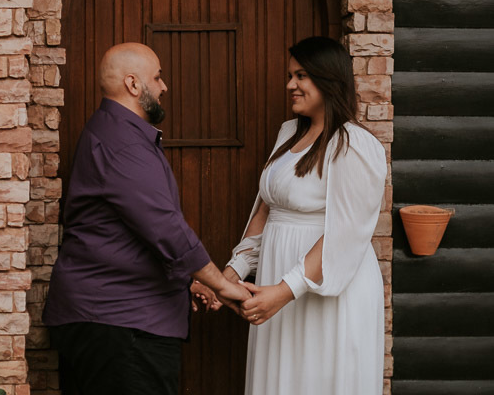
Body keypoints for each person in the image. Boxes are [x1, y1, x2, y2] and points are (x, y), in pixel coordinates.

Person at [43, 42, 251, 395]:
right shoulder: (124, 143)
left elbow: (124, 233)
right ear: (133, 84)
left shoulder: (113, 133)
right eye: (157, 77)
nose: (163, 86)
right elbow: (165, 228)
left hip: (114, 320)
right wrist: (223, 284)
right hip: (122, 325)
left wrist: (186, 282)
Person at [224, 36, 387, 395]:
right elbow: (267, 207)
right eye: (290, 75)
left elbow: (345, 232)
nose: (290, 85)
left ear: (328, 79)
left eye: (301, 76)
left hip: (324, 290)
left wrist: (285, 291)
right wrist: (234, 271)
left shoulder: (354, 144)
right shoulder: (288, 133)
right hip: (276, 281)